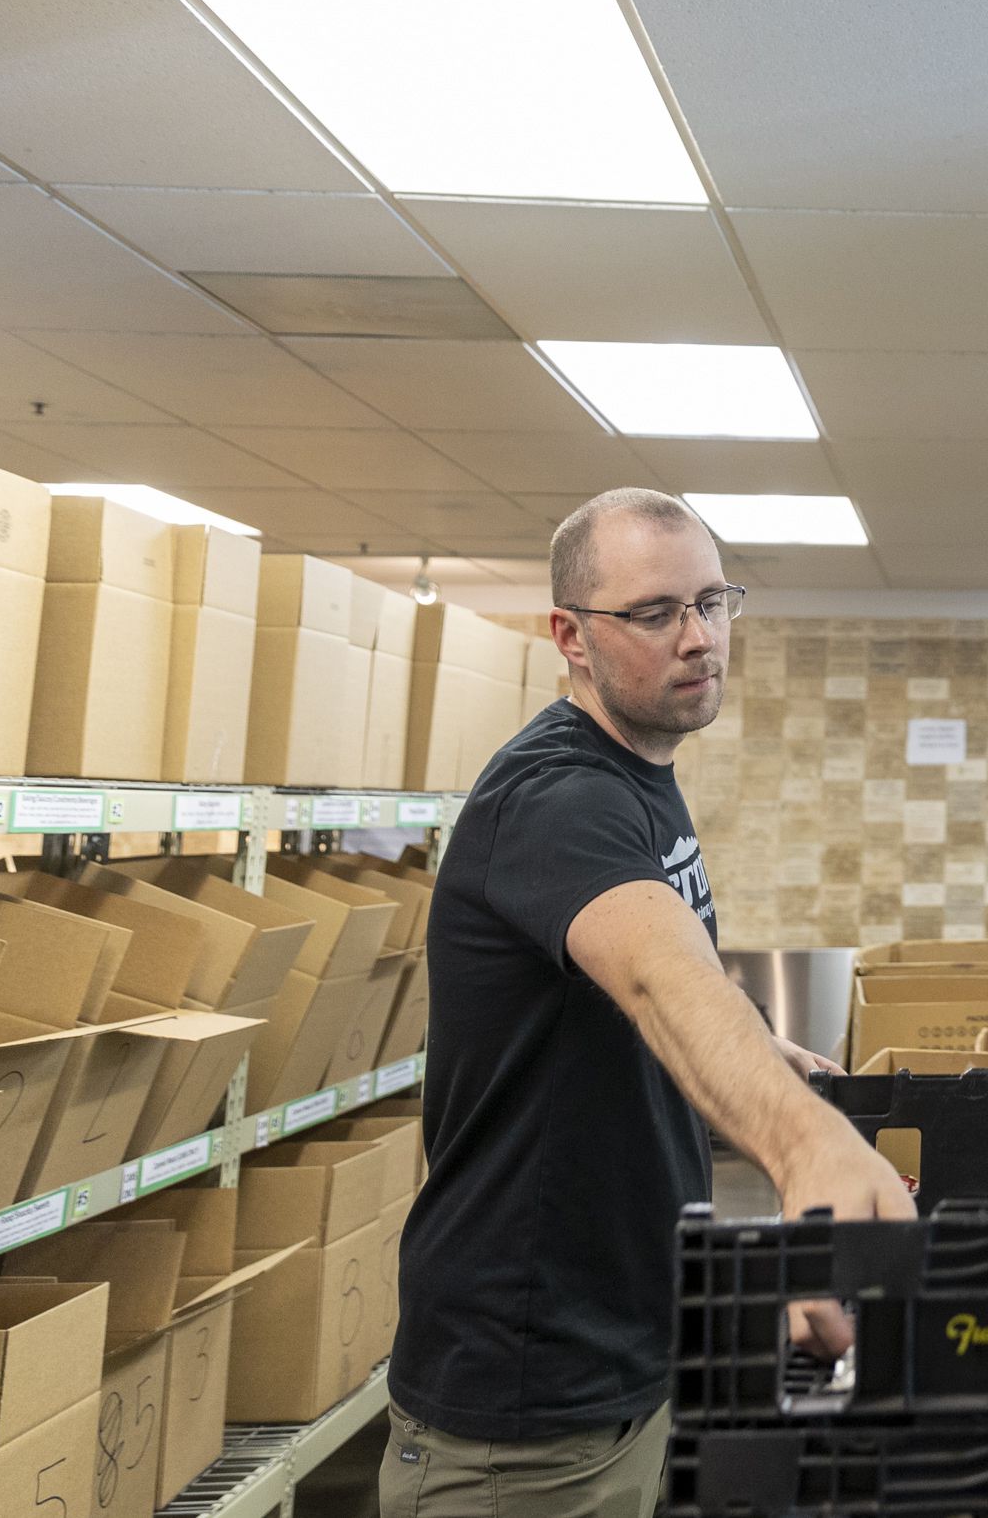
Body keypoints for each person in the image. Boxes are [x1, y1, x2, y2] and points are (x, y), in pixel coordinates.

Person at [385, 488, 913, 1518]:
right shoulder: (557, 799)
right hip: (527, 1406)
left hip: (624, 1354)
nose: (699, 638)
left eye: (713, 602)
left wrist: (766, 1048)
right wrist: (806, 1148)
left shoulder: (640, 777)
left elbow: (664, 984)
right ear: (570, 637)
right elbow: (654, 978)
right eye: (654, 612)